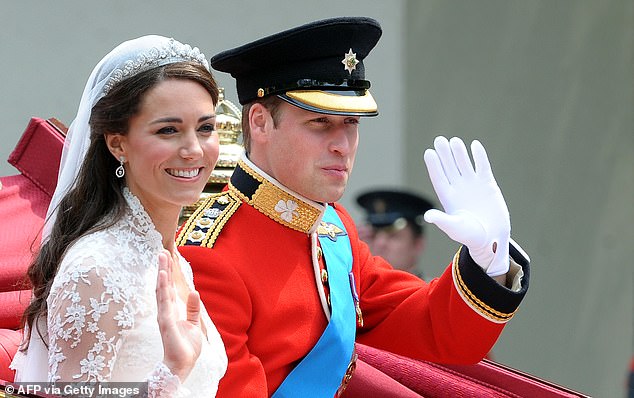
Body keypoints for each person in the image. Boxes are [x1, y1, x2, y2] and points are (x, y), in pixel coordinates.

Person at [177, 17, 530, 397]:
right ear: (260, 123)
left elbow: (430, 328)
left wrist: (487, 262)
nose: (342, 145)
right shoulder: (207, 255)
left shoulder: (332, 226)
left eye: (350, 122)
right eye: (320, 122)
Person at [10, 35, 227, 396]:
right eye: (168, 130)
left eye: (205, 128)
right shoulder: (96, 269)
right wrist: (171, 373)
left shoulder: (171, 257)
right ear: (118, 144)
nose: (193, 150)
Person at [355, 189, 434, 278]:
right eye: (372, 236)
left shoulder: (435, 291)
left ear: (418, 244)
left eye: (393, 236)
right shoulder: (350, 291)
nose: (380, 244)